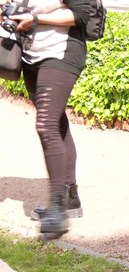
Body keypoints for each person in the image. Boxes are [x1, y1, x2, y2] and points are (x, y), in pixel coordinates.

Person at [5, 0, 93, 234]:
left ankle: (56, 208)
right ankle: (70, 197)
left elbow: (83, 14)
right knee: (55, 121)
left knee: (45, 124)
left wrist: (36, 19)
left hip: (61, 51)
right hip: (31, 56)